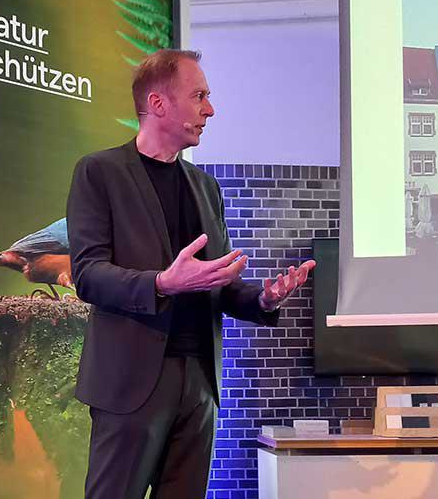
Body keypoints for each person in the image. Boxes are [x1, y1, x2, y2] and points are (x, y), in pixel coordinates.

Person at [66, 49, 315, 499]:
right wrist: (163, 283)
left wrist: (262, 299)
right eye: (199, 95)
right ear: (158, 104)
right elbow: (88, 275)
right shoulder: (99, 172)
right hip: (130, 382)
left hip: (200, 380)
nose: (210, 109)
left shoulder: (205, 186)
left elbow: (215, 282)